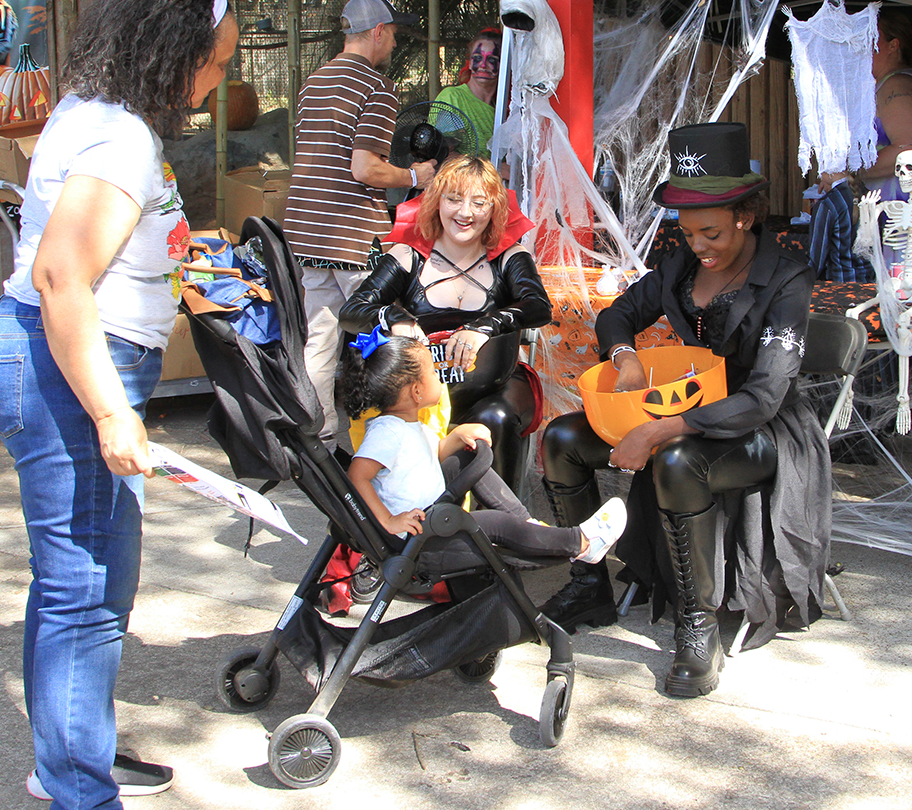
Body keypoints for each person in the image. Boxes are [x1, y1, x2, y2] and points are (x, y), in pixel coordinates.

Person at [0, 0, 238, 808]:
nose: (221, 78)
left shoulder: (98, 117)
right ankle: (78, 787)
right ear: (178, 52)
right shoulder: (119, 138)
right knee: (83, 589)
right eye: (218, 61)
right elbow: (61, 278)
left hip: (67, 365)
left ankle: (76, 753)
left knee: (90, 582)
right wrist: (113, 412)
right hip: (68, 372)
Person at [539, 122, 831, 699]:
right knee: (562, 440)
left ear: (745, 216)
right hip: (678, 409)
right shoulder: (678, 265)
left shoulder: (785, 278)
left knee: (676, 462)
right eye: (688, 230)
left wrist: (655, 432)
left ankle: (697, 627)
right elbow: (617, 316)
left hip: (763, 428)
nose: (697, 245)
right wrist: (624, 358)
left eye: (711, 232)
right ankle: (589, 581)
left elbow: (766, 395)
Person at [282, 0, 438, 453]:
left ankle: (320, 441)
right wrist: (415, 174)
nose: (393, 42)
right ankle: (388, 444)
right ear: (377, 32)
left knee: (320, 340)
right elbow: (364, 169)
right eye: (392, 32)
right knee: (386, 336)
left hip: (305, 230)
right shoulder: (375, 87)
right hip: (351, 235)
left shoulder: (314, 81)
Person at [340, 154, 551, 488]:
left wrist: (484, 327)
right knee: (392, 427)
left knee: (492, 419)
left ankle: (502, 530)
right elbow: (352, 310)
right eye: (454, 199)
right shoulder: (408, 256)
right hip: (420, 393)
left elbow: (539, 307)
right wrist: (394, 317)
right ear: (436, 202)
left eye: (478, 203)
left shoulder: (510, 257)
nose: (465, 213)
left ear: (494, 208)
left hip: (493, 385)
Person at [341, 331, 625, 559]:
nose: (439, 376)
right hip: (419, 539)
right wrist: (388, 521)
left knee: (465, 459)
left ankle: (526, 525)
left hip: (431, 518)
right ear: (416, 391)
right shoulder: (386, 432)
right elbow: (357, 476)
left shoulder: (410, 425)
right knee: (495, 524)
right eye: (432, 372)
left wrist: (456, 436)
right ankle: (582, 542)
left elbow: (427, 458)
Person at [822, 8, 912, 282]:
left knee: (902, 306)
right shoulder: (885, 85)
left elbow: (907, 152)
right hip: (892, 221)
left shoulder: (897, 85)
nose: (862, 47)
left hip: (906, 224)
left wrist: (848, 173)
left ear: (893, 45)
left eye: (870, 39)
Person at [434, 28, 501, 158]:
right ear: (469, 63)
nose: (483, 65)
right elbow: (441, 155)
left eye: (492, 59)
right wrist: (495, 168)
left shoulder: (506, 109)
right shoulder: (452, 97)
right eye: (477, 58)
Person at [807, 173, 874, 283]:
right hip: (871, 283)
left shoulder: (827, 204)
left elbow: (816, 261)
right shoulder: (871, 197)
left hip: (839, 286)